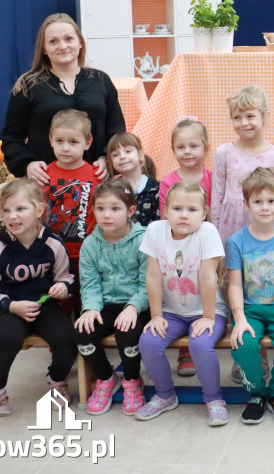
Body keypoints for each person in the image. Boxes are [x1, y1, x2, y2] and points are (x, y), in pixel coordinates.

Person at [0, 178, 76, 415]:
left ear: (39, 210)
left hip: (46, 307)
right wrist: (11, 306)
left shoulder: (53, 243)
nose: (12, 216)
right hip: (12, 308)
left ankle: (57, 379)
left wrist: (62, 287)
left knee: (66, 338)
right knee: (7, 340)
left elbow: (67, 278)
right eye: (6, 210)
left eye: (20, 209)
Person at [136, 182, 229, 427]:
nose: (184, 215)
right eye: (177, 208)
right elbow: (153, 276)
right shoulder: (155, 230)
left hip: (209, 310)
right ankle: (165, 396)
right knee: (148, 342)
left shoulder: (207, 232)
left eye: (192, 209)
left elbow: (208, 276)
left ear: (204, 213)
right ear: (165, 211)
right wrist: (156, 315)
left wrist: (208, 317)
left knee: (200, 344)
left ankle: (214, 400)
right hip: (171, 311)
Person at [1, 13, 124, 184]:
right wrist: (27, 164)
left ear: (80, 42)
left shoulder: (101, 80)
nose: (62, 46)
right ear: (44, 48)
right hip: (47, 184)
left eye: (69, 39)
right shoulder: (27, 85)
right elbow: (11, 139)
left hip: (98, 183)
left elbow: (117, 131)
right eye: (53, 41)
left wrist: (107, 159)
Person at [226, 167, 274, 425]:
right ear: (247, 205)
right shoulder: (236, 241)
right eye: (258, 202)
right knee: (243, 342)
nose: (265, 207)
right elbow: (235, 285)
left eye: (271, 201)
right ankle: (257, 393)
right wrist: (239, 319)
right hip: (249, 309)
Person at [73, 179, 150, 416]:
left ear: (130, 211)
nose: (106, 215)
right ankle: (107, 378)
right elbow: (90, 283)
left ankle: (132, 380)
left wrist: (133, 308)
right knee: (82, 334)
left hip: (139, 306)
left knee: (127, 336)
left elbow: (149, 283)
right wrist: (91, 308)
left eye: (115, 209)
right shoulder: (90, 245)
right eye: (100, 208)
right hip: (105, 305)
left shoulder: (144, 240)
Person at [157, 117, 212, 377]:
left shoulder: (214, 178)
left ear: (205, 147)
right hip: (180, 250)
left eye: (193, 146)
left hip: (211, 247)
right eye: (181, 147)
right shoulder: (168, 183)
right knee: (183, 294)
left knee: (209, 292)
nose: (187, 152)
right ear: (173, 150)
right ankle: (185, 349)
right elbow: (166, 221)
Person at [212, 86, 274, 247]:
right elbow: (217, 198)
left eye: (250, 116)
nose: (243, 123)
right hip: (231, 226)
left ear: (265, 117)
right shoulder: (223, 153)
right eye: (237, 117)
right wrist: (214, 236)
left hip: (267, 229)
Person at [42, 109, 99, 314]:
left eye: (73, 142)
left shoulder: (96, 176)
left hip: (88, 255)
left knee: (87, 302)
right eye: (59, 141)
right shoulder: (44, 175)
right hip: (55, 256)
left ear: (88, 143)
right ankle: (61, 344)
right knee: (60, 304)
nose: (65, 148)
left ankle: (86, 342)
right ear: (51, 141)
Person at [106, 131, 160, 226]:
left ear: (140, 155)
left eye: (128, 151)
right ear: (111, 162)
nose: (122, 157)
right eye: (115, 155)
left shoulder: (155, 188)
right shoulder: (111, 189)